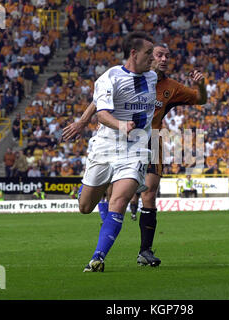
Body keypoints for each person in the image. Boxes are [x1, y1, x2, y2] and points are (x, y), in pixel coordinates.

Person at [62, 43, 206, 268]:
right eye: (158, 55)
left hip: (149, 142)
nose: (163, 59)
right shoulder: (124, 76)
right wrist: (82, 121)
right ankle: (104, 211)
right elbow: (99, 101)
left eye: (167, 56)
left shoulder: (170, 86)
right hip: (115, 141)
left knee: (148, 194)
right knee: (99, 199)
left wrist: (201, 86)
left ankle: (142, 251)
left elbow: (200, 98)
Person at [67, 31, 157, 272]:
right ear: (134, 53)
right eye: (149, 53)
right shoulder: (109, 78)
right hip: (106, 146)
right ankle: (85, 189)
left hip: (136, 149)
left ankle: (98, 258)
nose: (153, 58)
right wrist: (112, 124)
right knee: (85, 207)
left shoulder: (154, 77)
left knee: (119, 200)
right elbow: (101, 110)